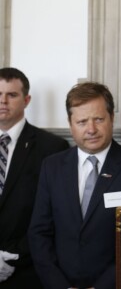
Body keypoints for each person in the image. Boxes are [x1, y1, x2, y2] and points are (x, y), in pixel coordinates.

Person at [28, 82, 121, 289]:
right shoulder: (52, 166)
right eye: (82, 122)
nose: (91, 129)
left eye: (99, 119)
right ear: (70, 124)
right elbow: (39, 233)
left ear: (111, 118)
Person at [0, 68, 70, 288]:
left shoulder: (52, 148)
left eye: (12, 95)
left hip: (25, 271)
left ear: (26, 100)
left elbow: (53, 215)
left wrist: (13, 257)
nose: (3, 101)